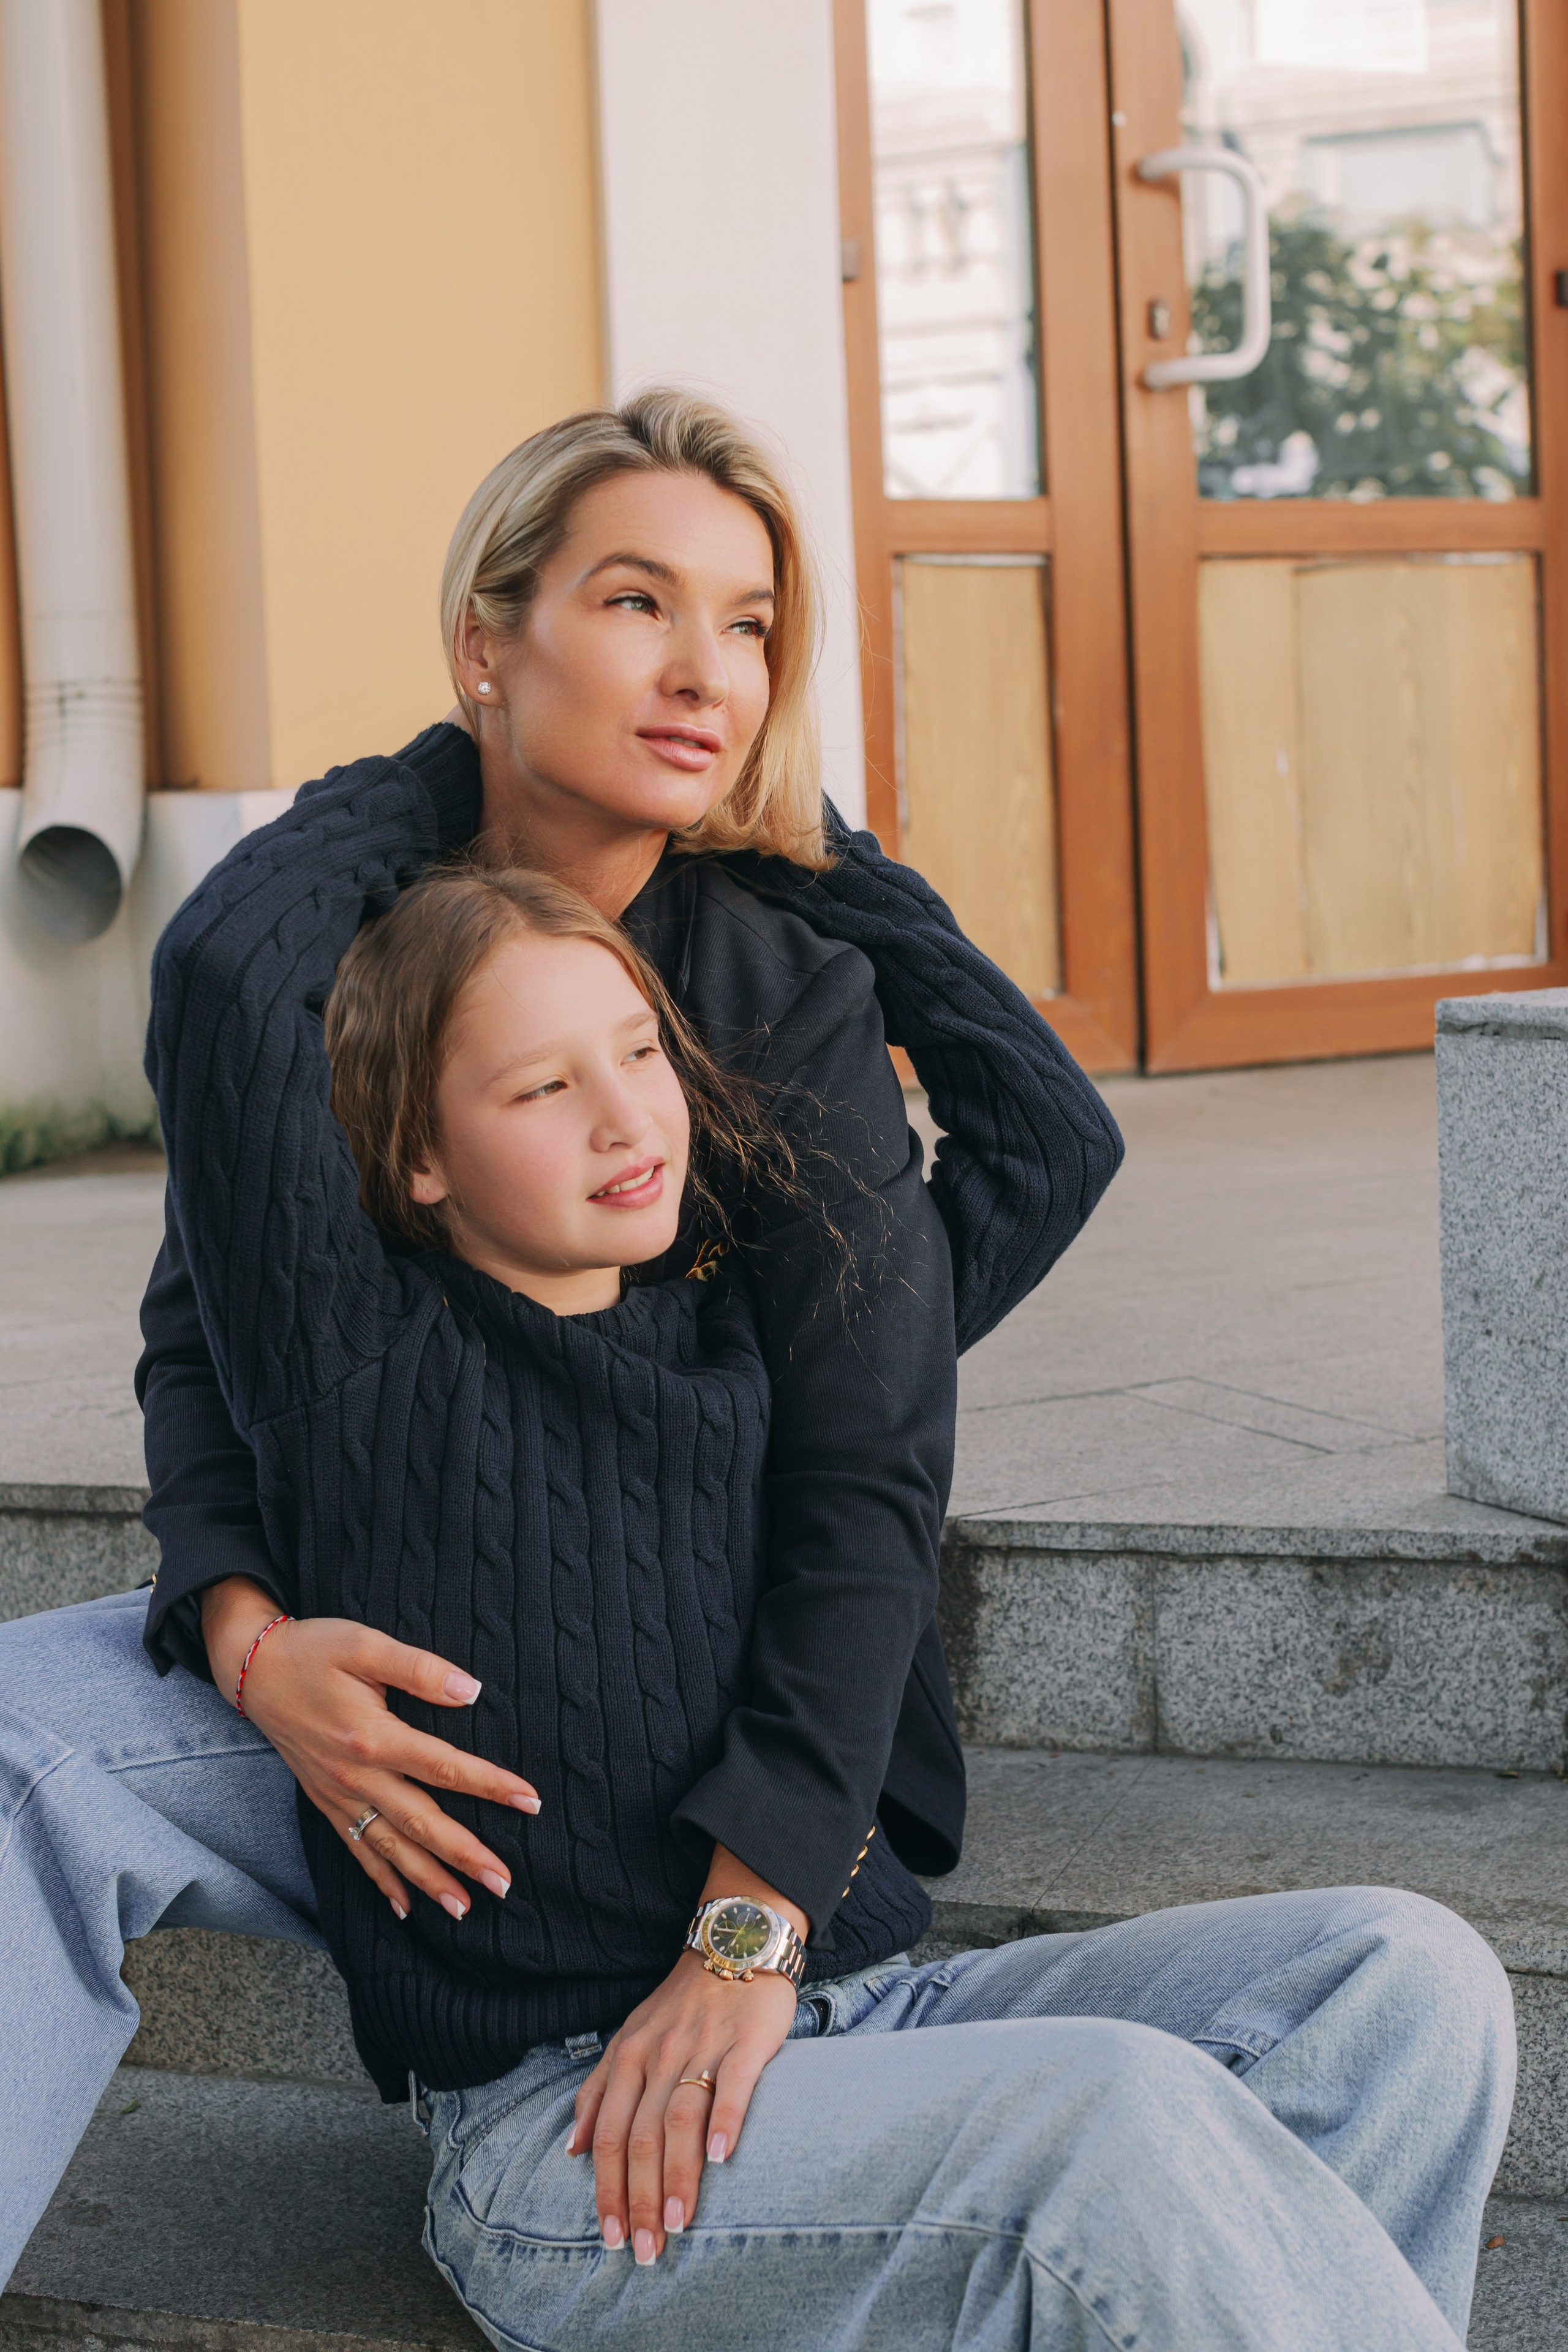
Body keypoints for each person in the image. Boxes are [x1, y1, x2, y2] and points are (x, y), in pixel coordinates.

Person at [0, 392, 1512, 2350]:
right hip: (433, 1686)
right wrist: (238, 1619)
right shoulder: (350, 958)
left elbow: (864, 1469)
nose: (707, 671)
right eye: (639, 605)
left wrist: (749, 1925)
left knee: (1407, 1986)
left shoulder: (776, 995)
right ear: (491, 634)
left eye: (752, 626)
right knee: (30, 1728)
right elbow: (218, 1315)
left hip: (711, 1765)